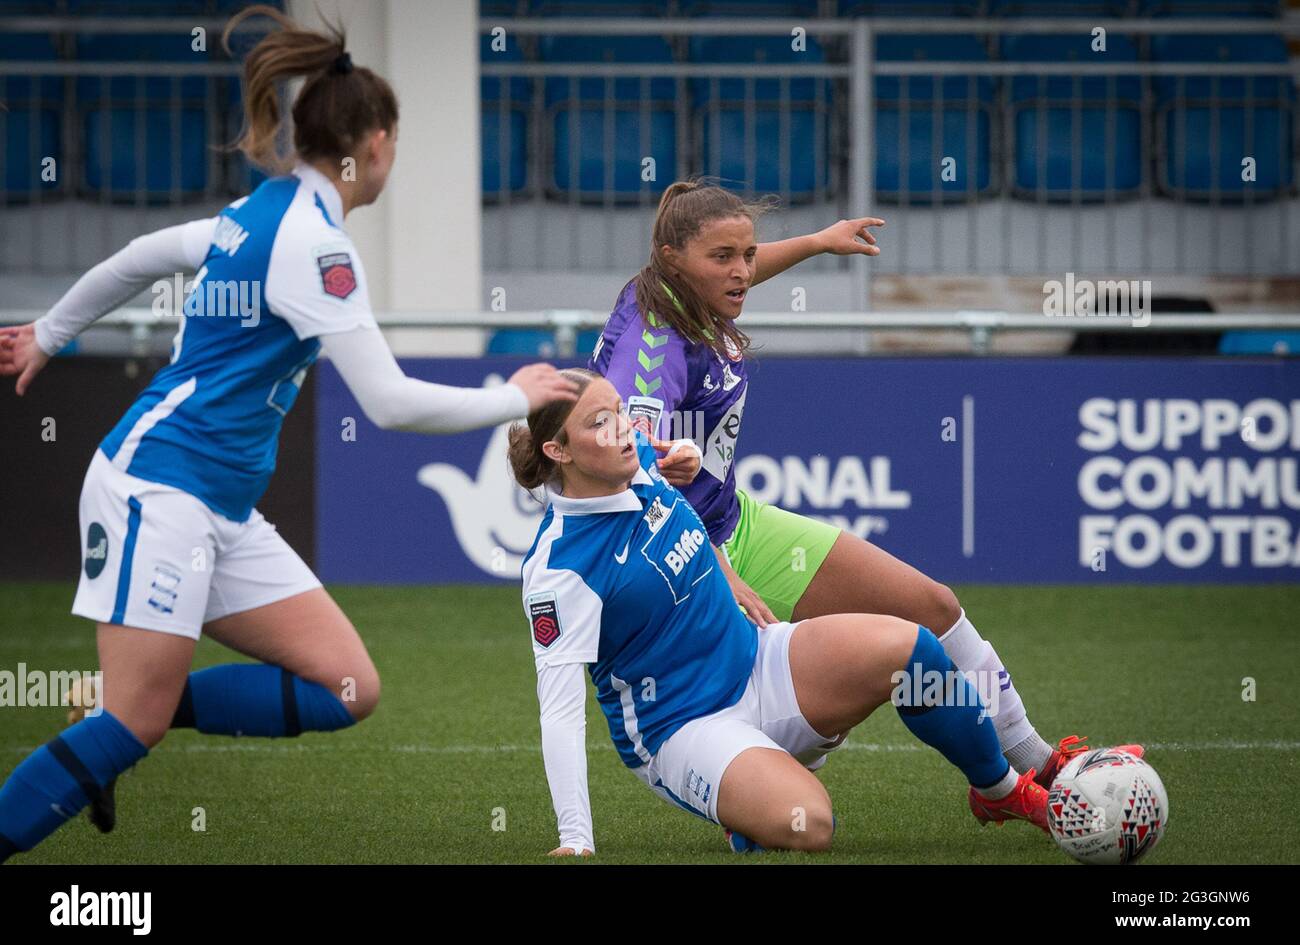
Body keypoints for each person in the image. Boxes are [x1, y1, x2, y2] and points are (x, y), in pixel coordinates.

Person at [0, 5, 576, 863]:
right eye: (395, 141)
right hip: (156, 487)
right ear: (373, 144)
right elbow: (387, 403)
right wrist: (513, 397)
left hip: (219, 507)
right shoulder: (315, 248)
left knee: (348, 686)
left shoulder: (257, 211)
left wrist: (49, 332)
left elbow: (141, 254)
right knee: (135, 719)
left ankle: (121, 712)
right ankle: (114, 723)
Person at [590, 179, 1139, 789]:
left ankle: (1038, 761)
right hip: (677, 554)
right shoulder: (651, 348)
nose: (742, 272)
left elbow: (735, 268)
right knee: (794, 707)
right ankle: (755, 792)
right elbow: (633, 472)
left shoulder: (689, 289)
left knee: (934, 608)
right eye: (725, 258)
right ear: (672, 258)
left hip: (731, 521)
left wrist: (820, 242)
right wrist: (722, 571)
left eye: (747, 254)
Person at [510, 368, 1076, 856]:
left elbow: (676, 511)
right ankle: (751, 804)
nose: (622, 430)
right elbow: (560, 710)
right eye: (597, 424)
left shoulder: (637, 463)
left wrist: (725, 570)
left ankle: (1001, 790)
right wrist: (576, 836)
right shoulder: (558, 570)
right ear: (558, 451)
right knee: (810, 826)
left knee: (913, 650)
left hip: (760, 657)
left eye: (618, 412)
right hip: (683, 727)